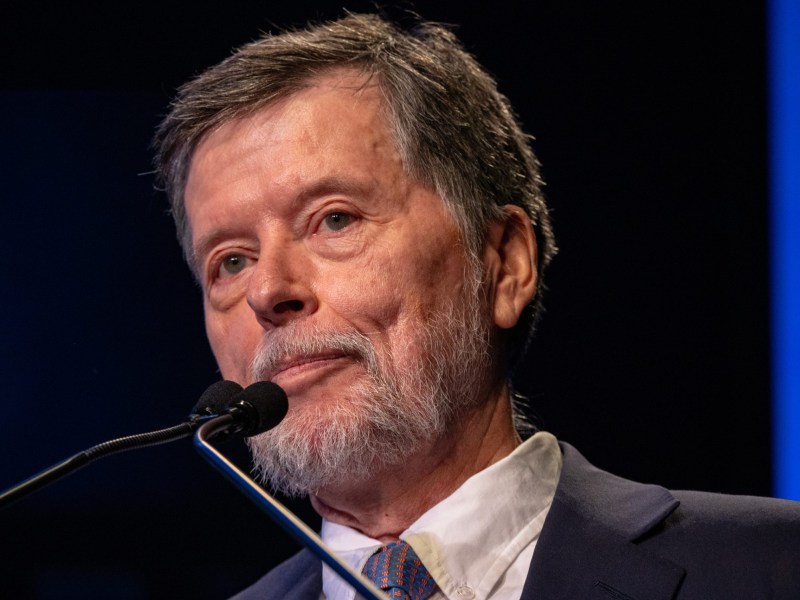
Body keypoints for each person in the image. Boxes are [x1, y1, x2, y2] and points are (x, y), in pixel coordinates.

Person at [154, 13, 800, 600]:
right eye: (231, 261)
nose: (268, 291)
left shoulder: (770, 566)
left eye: (334, 220)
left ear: (505, 265)